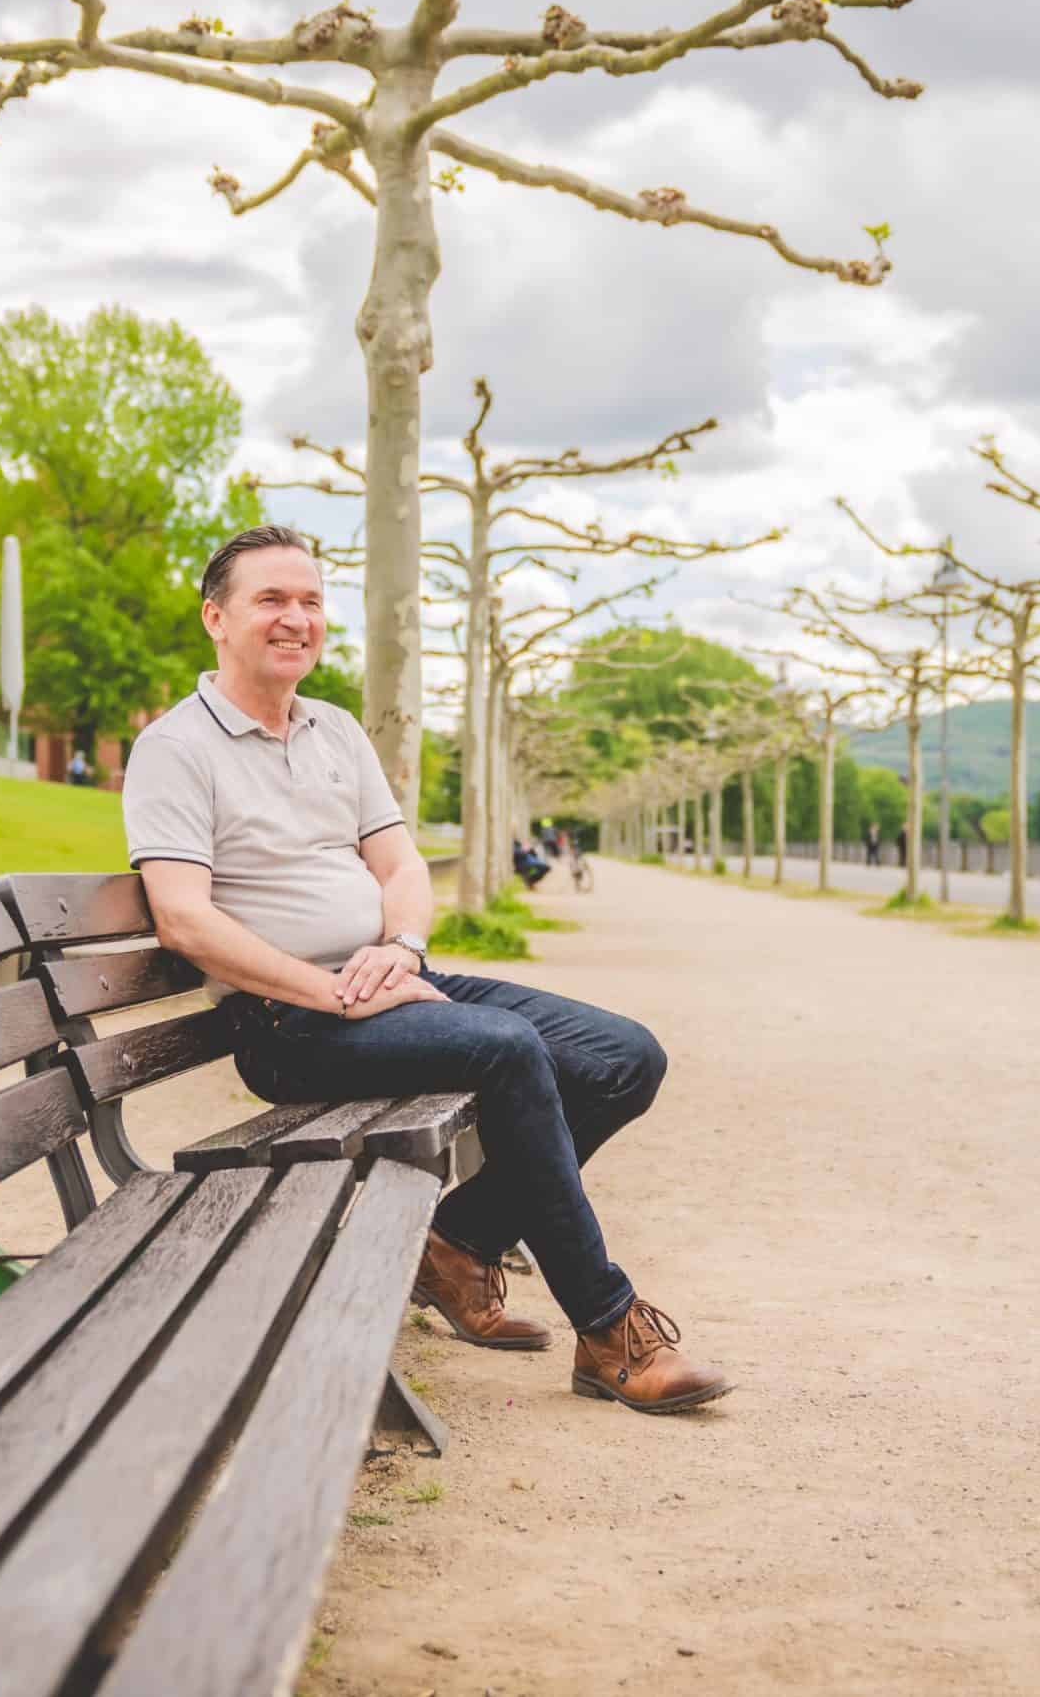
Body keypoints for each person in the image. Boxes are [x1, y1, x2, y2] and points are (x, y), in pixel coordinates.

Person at [121, 525, 729, 1415]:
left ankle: (457, 1243)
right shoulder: (176, 747)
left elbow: (401, 868)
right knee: (510, 1049)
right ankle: (608, 1330)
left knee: (626, 1056)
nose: (297, 618)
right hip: (289, 1022)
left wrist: (398, 949)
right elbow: (182, 917)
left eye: (311, 600)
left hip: (385, 984)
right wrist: (333, 989)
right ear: (216, 617)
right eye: (271, 600)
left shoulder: (334, 731)